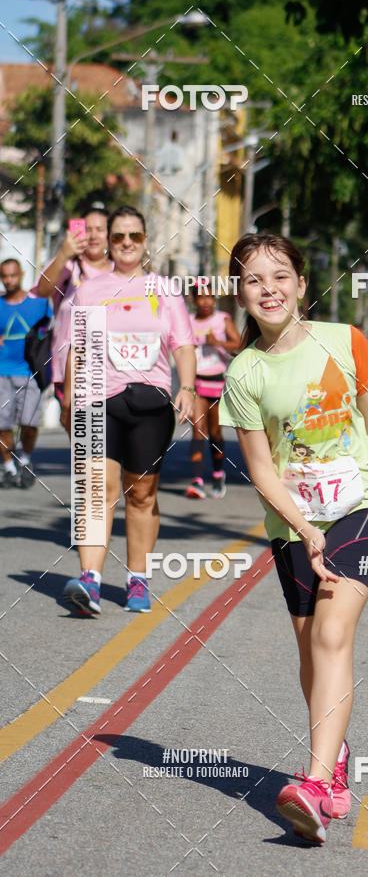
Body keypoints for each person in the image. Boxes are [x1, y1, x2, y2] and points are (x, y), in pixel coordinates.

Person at [219, 233, 368, 844]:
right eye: (253, 279)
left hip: (362, 504)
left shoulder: (343, 341)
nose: (268, 289)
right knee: (312, 655)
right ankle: (335, 759)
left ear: (302, 283)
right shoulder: (244, 373)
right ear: (241, 293)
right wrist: (302, 528)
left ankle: (316, 780)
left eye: (280, 276)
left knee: (333, 633)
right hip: (293, 523)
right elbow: (262, 471)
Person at [60, 206, 196, 616]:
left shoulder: (164, 289)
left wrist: (187, 386)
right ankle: (90, 582)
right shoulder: (89, 289)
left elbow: (183, 344)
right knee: (96, 489)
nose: (125, 244)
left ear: (144, 240)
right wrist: (69, 400)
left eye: (133, 236)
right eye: (118, 236)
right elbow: (77, 348)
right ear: (109, 241)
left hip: (151, 401)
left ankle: (137, 580)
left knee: (142, 493)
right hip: (97, 398)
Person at [33, 206, 112, 405]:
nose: (93, 235)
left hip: (113, 371)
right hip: (71, 372)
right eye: (88, 229)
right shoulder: (67, 266)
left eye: (100, 229)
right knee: (84, 435)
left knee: (111, 435)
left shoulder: (120, 270)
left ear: (111, 235)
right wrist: (63, 254)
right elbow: (42, 290)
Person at [186, 283, 240, 499]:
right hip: (197, 381)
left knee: (215, 433)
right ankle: (197, 481)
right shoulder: (188, 321)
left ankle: (218, 474)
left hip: (217, 381)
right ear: (194, 300)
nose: (206, 301)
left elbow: (237, 343)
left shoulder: (222, 319)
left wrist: (217, 342)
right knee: (198, 429)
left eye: (210, 297)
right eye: (201, 297)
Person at [0, 259, 51, 487]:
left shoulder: (38, 303)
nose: (9, 280)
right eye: (4, 276)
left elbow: (51, 329)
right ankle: (9, 467)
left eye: (12, 275)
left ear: (20, 274)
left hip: (30, 373)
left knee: (29, 422)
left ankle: (26, 461)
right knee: (3, 425)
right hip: (2, 373)